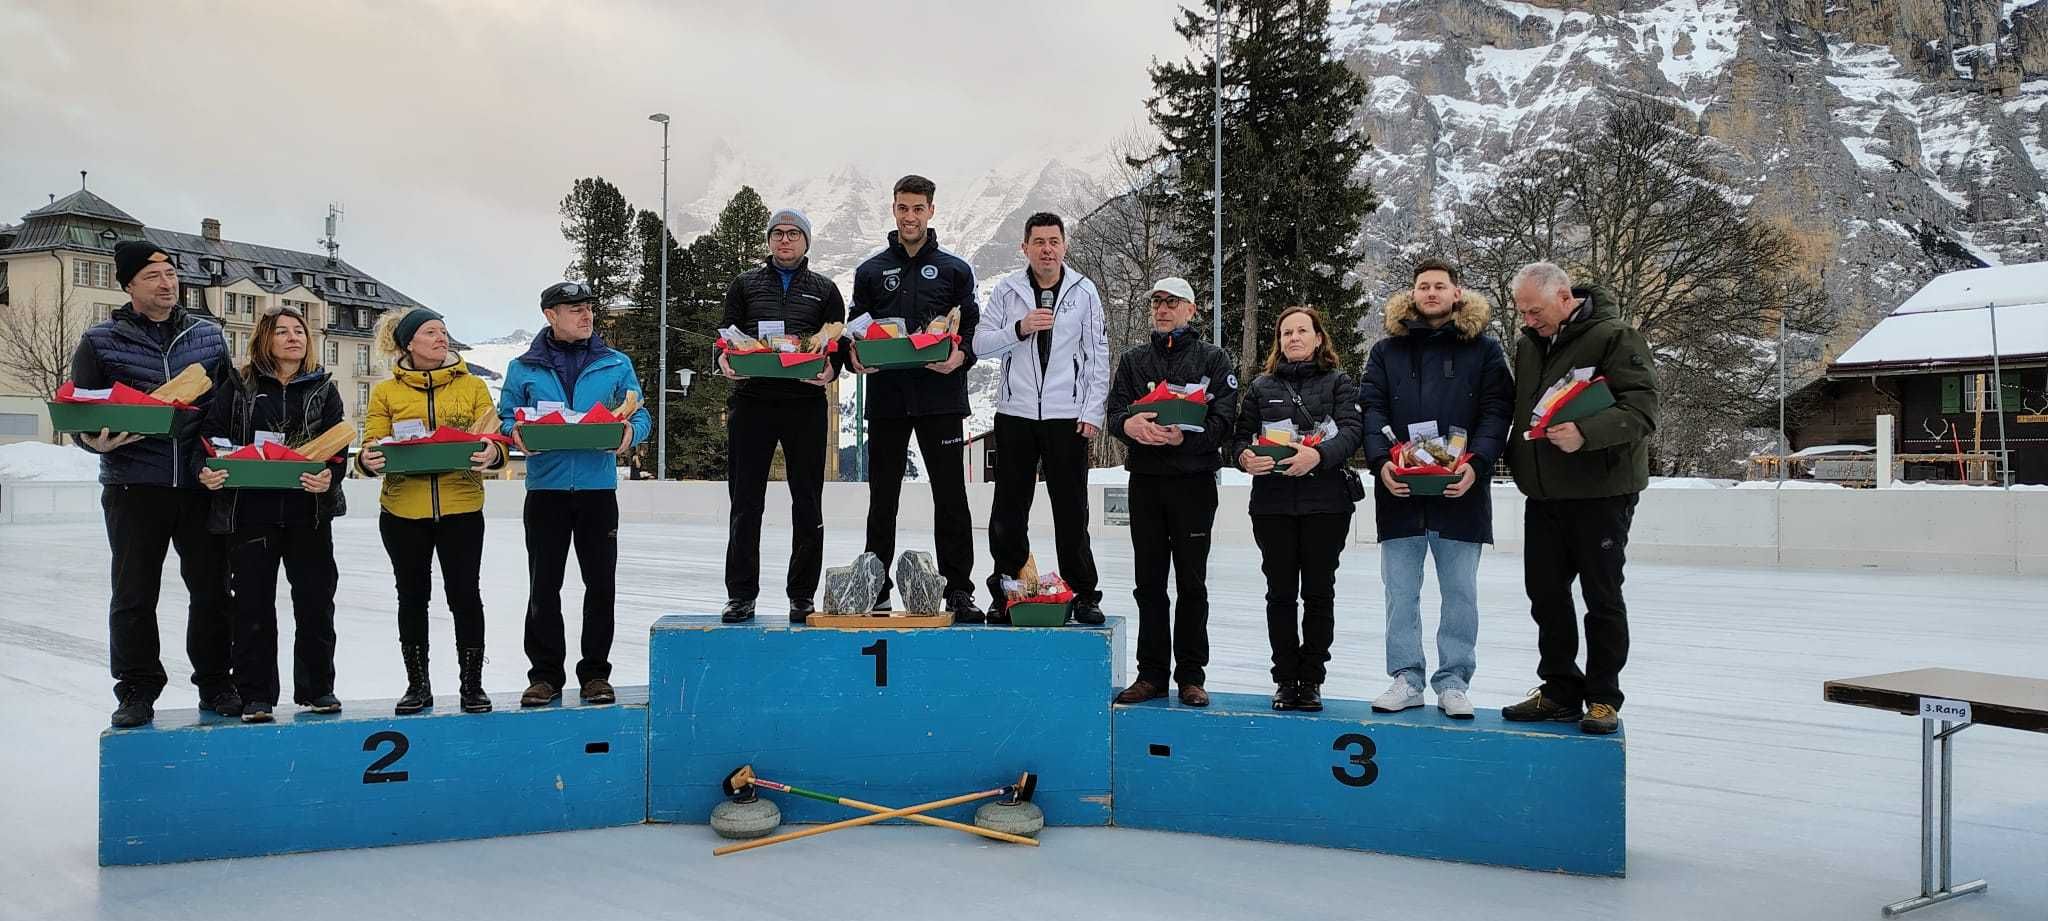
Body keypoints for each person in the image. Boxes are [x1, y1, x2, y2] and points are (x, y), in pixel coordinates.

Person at [73, 240, 236, 729]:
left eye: (170, 273)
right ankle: (137, 688)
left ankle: (215, 679)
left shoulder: (209, 338)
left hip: (197, 484)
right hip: (133, 485)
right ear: (129, 286)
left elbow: (228, 410)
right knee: (134, 593)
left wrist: (217, 459)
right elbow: (80, 412)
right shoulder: (100, 341)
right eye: (153, 276)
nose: (167, 283)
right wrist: (92, 443)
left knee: (211, 589)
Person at [1500, 262, 1659, 735]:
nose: (1529, 321)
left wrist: (1587, 433)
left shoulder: (1617, 337)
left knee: (1601, 595)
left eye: (1535, 311)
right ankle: (1559, 690)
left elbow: (1643, 409)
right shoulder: (1530, 345)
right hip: (1544, 496)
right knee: (1545, 595)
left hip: (1601, 495)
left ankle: (1604, 698)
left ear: (1565, 297)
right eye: (1522, 313)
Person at [1359, 257, 1513, 720]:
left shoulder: (1484, 350)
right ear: (1412, 293)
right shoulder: (1386, 351)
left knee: (1460, 592)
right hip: (1401, 492)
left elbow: (1496, 411)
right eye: (1423, 286)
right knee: (1400, 592)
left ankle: (1453, 681)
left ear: (1456, 293)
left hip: (1459, 493)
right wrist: (1382, 462)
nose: (1431, 293)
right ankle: (1406, 677)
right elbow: (1371, 410)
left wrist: (1478, 464)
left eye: (1439, 286)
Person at [500, 281, 651, 706]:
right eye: (574, 309)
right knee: (543, 586)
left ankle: (595, 674)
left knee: (600, 585)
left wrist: (628, 434)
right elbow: (505, 417)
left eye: (588, 308)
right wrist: (514, 434)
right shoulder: (522, 367)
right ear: (550, 315)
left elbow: (641, 414)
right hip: (545, 491)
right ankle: (545, 675)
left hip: (597, 491)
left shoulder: (615, 363)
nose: (586, 316)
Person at [197, 304, 347, 723]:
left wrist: (330, 477)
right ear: (265, 339)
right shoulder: (239, 386)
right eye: (282, 331)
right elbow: (211, 438)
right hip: (251, 514)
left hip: (309, 514)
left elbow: (338, 447)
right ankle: (256, 695)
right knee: (253, 607)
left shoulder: (323, 389)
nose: (293, 337)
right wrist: (208, 470)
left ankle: (318, 689)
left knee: (316, 604)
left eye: (299, 331)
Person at [355, 307, 507, 715]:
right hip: (403, 511)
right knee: (412, 597)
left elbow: (495, 438)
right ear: (409, 343)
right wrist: (369, 460)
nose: (441, 338)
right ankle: (417, 685)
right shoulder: (387, 392)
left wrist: (493, 452)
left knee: (465, 595)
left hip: (461, 507)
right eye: (430, 332)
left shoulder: (473, 385)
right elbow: (371, 443)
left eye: (443, 331)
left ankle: (472, 686)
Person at [847, 174, 982, 620]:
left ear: (931, 211)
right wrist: (857, 356)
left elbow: (970, 331)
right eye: (903, 208)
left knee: (951, 496)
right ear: (893, 209)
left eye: (917, 208)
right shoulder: (869, 271)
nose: (910, 216)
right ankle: (874, 586)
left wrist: (958, 356)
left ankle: (959, 590)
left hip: (940, 398)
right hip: (887, 399)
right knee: (882, 497)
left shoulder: (955, 270)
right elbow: (856, 330)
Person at [1105, 277, 1238, 708]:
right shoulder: (1133, 360)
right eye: (1157, 303)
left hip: (1194, 482)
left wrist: (1186, 439)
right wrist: (1131, 426)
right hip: (1146, 482)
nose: (1162, 309)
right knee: (1149, 583)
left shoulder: (1214, 359)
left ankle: (1191, 676)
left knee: (1192, 583)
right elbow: (1114, 412)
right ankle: (1151, 675)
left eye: (1172, 302)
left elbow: (1224, 422)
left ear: (1191, 310)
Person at [971, 212, 1108, 624]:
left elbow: (1098, 356)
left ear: (1064, 246)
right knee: (1009, 510)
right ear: (1025, 248)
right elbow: (980, 343)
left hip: (1067, 417)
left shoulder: (1085, 292)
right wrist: (1019, 327)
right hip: (1015, 414)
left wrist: (1092, 412)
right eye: (1039, 242)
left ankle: (1084, 592)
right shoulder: (1008, 291)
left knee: (1071, 510)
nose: (1047, 249)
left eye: (1054, 241)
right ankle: (1007, 590)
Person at [1229, 305, 1364, 713]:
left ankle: (1313, 679)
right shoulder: (1260, 386)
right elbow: (1237, 438)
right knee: (1281, 595)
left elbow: (1353, 432)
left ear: (1318, 337)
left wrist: (1318, 456)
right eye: (1286, 333)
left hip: (1326, 505)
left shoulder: (1339, 382)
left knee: (1320, 593)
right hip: (1273, 506)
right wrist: (1243, 459)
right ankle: (1285, 679)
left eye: (1302, 331)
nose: (1294, 338)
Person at [714, 209, 846, 625]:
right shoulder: (744, 284)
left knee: (807, 502)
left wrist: (831, 369)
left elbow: (837, 342)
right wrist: (722, 358)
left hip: (804, 403)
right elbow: (724, 335)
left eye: (793, 234)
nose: (785, 240)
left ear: (807, 241)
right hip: (752, 400)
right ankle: (740, 595)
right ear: (769, 240)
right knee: (745, 502)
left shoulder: (824, 289)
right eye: (777, 234)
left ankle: (802, 596)